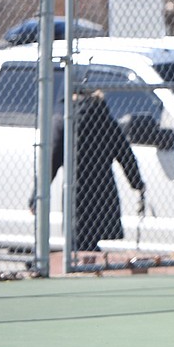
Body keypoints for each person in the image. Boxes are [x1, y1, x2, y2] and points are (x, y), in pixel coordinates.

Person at [50, 90, 146, 252]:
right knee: (90, 243)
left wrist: (37, 194)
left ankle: (77, 265)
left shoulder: (65, 122)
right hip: (103, 193)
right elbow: (126, 156)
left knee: (77, 243)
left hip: (76, 192)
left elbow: (51, 161)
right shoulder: (107, 122)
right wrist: (137, 183)